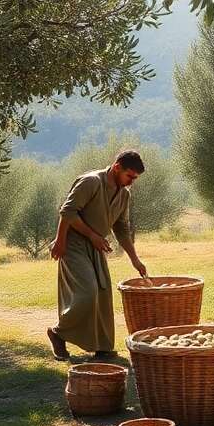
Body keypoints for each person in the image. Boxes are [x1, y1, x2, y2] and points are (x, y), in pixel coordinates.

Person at [47, 150, 149, 360]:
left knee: (102, 295)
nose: (131, 182)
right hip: (73, 244)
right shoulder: (91, 182)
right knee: (88, 292)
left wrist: (135, 259)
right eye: (129, 176)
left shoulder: (124, 194)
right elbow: (67, 212)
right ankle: (58, 333)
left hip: (96, 247)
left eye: (135, 179)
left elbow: (121, 228)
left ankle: (102, 347)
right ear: (117, 167)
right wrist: (61, 241)